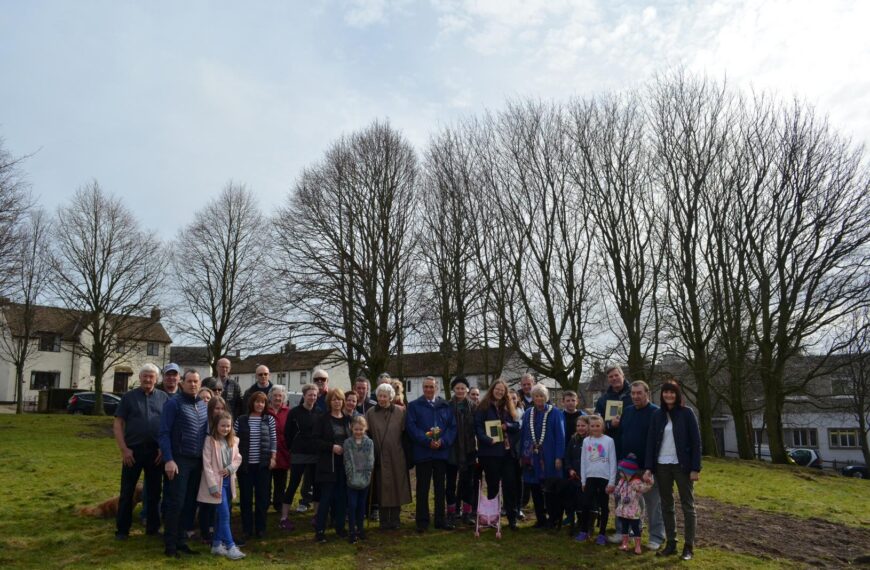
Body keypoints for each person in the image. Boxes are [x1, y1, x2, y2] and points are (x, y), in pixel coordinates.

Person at [644, 380, 701, 561]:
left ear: (677, 394)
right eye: (665, 392)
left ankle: (689, 546)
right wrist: (649, 467)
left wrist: (695, 468)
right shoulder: (657, 415)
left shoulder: (687, 413)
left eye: (672, 392)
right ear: (661, 395)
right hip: (662, 465)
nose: (668, 395)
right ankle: (671, 543)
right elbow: (651, 442)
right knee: (666, 505)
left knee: (687, 506)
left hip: (682, 466)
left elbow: (696, 442)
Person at [113, 363, 169, 540]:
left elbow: (168, 425)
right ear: (140, 378)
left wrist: (163, 448)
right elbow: (118, 424)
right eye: (145, 376)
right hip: (133, 452)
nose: (147, 379)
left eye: (151, 376)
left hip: (155, 452)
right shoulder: (129, 397)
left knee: (154, 493)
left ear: (156, 379)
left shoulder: (164, 397)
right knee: (127, 492)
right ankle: (122, 530)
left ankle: (152, 528)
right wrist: (124, 450)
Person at [159, 369, 209, 557]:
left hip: (197, 461)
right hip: (179, 460)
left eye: (196, 381)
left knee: (189, 504)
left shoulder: (203, 405)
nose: (193, 384)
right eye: (189, 381)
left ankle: (182, 541)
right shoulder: (174, 404)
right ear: (182, 382)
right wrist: (169, 459)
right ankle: (170, 545)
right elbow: (163, 433)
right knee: (176, 503)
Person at [611, 380, 665, 550]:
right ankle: (622, 531)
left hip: (647, 466)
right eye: (633, 393)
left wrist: (652, 466)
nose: (635, 396)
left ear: (647, 393)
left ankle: (656, 536)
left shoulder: (656, 412)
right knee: (623, 500)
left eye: (639, 393)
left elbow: (658, 441)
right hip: (626, 467)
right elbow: (621, 436)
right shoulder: (627, 411)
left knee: (653, 503)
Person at [406, 376, 457, 532]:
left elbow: (452, 428)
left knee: (440, 488)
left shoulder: (445, 406)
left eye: (431, 387)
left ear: (437, 388)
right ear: (423, 388)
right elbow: (411, 428)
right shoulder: (414, 406)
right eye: (426, 387)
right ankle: (422, 521)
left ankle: (440, 520)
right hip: (423, 453)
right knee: (422, 488)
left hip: (441, 453)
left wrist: (442, 442)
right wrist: (427, 441)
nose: (429, 389)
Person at [197, 411, 245, 560]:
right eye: (222, 425)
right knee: (224, 514)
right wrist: (212, 486)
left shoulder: (234, 441)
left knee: (221, 515)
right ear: (216, 426)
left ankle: (217, 545)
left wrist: (230, 468)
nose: (225, 429)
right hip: (215, 484)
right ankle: (230, 546)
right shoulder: (209, 441)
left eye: (228, 426)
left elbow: (238, 458)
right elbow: (207, 465)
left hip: (227, 482)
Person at [474, 378, 520, 530]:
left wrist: (507, 426)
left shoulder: (508, 406)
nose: (499, 392)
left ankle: (512, 518)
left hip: (507, 453)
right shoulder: (483, 406)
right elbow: (478, 428)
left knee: (510, 485)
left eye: (502, 390)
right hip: (490, 453)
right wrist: (487, 440)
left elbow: (517, 425)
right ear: (492, 389)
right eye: (497, 389)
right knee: (493, 486)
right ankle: (493, 518)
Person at [365, 382, 412, 530]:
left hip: (397, 455)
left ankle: (395, 519)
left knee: (397, 486)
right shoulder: (370, 413)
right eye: (379, 395)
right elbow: (367, 434)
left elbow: (406, 434)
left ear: (391, 397)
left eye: (385, 396)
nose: (382, 399)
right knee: (382, 487)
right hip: (379, 456)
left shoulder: (400, 411)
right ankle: (384, 520)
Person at [519, 384, 565, 529]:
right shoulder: (528, 413)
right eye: (536, 396)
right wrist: (523, 455)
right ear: (532, 398)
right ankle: (540, 518)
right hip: (532, 458)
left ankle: (554, 518)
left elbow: (560, 436)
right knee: (535, 489)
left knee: (551, 489)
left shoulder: (555, 413)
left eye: (541, 396)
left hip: (550, 457)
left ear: (546, 397)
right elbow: (523, 434)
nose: (539, 399)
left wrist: (559, 457)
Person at [234, 391, 277, 540]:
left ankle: (261, 528)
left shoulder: (269, 420)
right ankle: (247, 529)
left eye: (263, 402)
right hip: (245, 466)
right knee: (245, 499)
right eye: (257, 402)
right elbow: (233, 440)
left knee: (262, 499)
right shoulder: (241, 420)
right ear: (251, 403)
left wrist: (273, 458)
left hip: (263, 466)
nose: (260, 405)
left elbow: (273, 440)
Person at [313, 388, 352, 543]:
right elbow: (315, 441)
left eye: (340, 399)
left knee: (342, 498)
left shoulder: (347, 420)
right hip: (327, 465)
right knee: (326, 498)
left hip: (344, 465)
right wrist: (331, 447)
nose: (337, 402)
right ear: (329, 401)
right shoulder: (322, 419)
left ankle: (340, 528)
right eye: (334, 399)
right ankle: (320, 530)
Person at [279, 384, 321, 528]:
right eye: (310, 394)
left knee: (317, 485)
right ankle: (284, 517)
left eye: (315, 395)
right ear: (304, 395)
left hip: (315, 454)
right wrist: (294, 447)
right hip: (298, 454)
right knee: (293, 484)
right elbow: (287, 433)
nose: (312, 397)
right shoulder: (294, 412)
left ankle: (316, 515)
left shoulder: (320, 412)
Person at [576, 414, 616, 545]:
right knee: (585, 504)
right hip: (590, 478)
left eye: (597, 426)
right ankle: (584, 531)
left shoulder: (609, 441)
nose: (595, 428)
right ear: (589, 427)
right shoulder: (586, 441)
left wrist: (611, 482)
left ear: (602, 426)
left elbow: (613, 462)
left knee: (604, 506)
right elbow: (583, 462)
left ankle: (602, 534)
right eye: (592, 426)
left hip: (604, 478)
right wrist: (583, 481)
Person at [446, 377, 476, 527]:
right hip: (452, 449)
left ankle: (467, 513)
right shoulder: (447, 406)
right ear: (453, 389)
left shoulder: (473, 406)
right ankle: (451, 512)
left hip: (469, 450)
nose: (460, 391)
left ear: (467, 390)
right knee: (450, 483)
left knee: (468, 483)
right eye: (457, 388)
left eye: (463, 388)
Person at [343, 415, 375, 544]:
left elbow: (370, 459)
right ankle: (351, 530)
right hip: (352, 479)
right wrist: (351, 476)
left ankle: (360, 529)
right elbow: (347, 460)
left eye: (361, 429)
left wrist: (367, 475)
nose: (358, 432)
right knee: (352, 505)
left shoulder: (369, 442)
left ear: (365, 429)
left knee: (362, 505)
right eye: (356, 429)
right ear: (352, 429)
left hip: (364, 479)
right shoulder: (348, 443)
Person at [613, 454, 652, 555]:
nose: (620, 473)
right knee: (624, 527)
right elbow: (617, 491)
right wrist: (613, 490)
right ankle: (625, 544)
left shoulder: (636, 482)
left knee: (635, 528)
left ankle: (637, 546)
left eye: (622, 471)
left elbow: (644, 488)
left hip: (633, 511)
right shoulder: (622, 481)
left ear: (628, 473)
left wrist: (649, 484)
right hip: (623, 511)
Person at [267, 385, 291, 513]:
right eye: (275, 395)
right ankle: (265, 502)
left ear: (284, 398)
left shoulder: (288, 412)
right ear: (270, 397)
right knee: (265, 481)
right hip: (267, 452)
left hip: (283, 452)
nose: (277, 398)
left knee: (280, 481)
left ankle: (278, 503)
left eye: (280, 396)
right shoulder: (264, 411)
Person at [564, 415, 590, 534]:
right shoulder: (573, 439)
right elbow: (568, 456)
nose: (580, 428)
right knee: (576, 501)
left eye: (583, 426)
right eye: (578, 426)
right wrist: (569, 469)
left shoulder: (592, 440)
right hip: (575, 476)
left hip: (588, 477)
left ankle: (588, 525)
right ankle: (579, 523)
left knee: (587, 501)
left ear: (588, 426)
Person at [594, 365, 632, 438]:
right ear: (608, 380)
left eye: (616, 375)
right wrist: (610, 424)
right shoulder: (603, 400)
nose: (614, 378)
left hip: (632, 440)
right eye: (611, 377)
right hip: (612, 441)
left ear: (623, 376)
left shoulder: (634, 395)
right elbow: (596, 422)